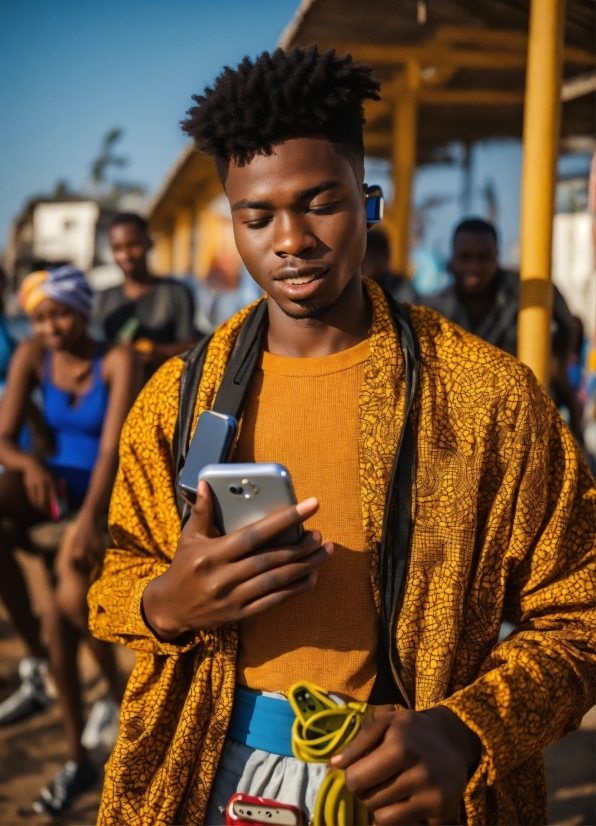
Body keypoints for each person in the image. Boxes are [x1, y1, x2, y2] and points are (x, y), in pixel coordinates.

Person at [88, 46, 596, 826]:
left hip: (406, 781)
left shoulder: (486, 396)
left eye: (319, 203)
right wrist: (165, 602)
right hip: (211, 772)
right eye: (257, 217)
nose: (289, 239)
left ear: (370, 200)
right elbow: (115, 574)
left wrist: (466, 732)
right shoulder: (178, 399)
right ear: (233, 221)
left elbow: (580, 608)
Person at [0, 266, 140, 814]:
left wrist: (86, 523)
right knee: (60, 613)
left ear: (82, 310)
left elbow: (112, 448)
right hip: (54, 488)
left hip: (104, 497)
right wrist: (31, 463)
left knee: (66, 607)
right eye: (40, 317)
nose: (52, 327)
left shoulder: (118, 359)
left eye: (60, 313)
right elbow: (4, 439)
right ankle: (59, 681)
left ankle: (84, 741)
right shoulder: (34, 355)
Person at [425, 217, 584, 440]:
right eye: (465, 257)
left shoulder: (527, 295)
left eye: (483, 257)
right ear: (452, 259)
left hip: (523, 418)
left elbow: (567, 328)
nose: (474, 267)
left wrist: (557, 363)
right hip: (460, 423)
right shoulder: (434, 309)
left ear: (496, 258)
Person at [93, 213, 199, 379]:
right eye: (117, 248)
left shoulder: (176, 293)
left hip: (167, 388)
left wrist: (156, 351)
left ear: (149, 243)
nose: (126, 256)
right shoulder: (103, 298)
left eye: (133, 245)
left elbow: (193, 346)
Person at [361, 228, 419, 304]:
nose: (364, 264)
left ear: (385, 260)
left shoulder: (400, 289)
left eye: (370, 258)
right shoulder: (351, 286)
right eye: (362, 258)